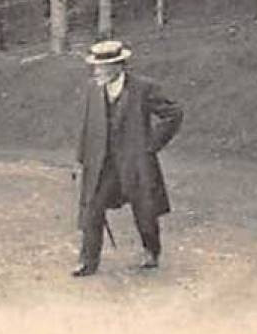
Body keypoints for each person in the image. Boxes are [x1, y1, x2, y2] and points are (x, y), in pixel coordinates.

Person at [71, 39, 184, 276]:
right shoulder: (94, 88)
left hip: (135, 161)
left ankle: (151, 251)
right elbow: (87, 125)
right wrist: (81, 159)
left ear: (118, 66)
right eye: (95, 66)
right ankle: (88, 261)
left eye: (101, 67)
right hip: (103, 162)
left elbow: (173, 114)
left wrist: (150, 145)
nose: (96, 71)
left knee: (145, 208)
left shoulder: (143, 88)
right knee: (92, 207)